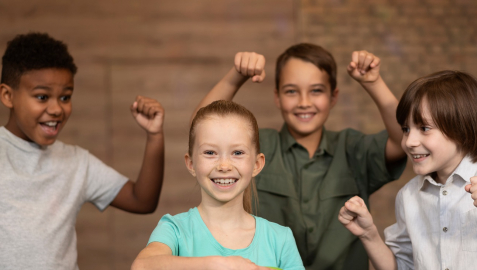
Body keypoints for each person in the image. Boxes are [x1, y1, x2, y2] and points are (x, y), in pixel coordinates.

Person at [191, 44, 407, 269]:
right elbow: (201, 132)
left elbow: (405, 138)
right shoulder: (258, 147)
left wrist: (373, 83)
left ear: (333, 97)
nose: (304, 102)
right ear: (277, 97)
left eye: (316, 90)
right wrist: (236, 77)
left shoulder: (353, 148)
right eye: (291, 91)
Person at [0, 32, 165, 270]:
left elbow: (142, 200)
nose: (56, 109)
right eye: (42, 96)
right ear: (7, 95)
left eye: (65, 97)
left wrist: (155, 135)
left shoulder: (77, 162)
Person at [132, 100, 304, 270]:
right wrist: (218, 265)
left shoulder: (281, 239)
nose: (224, 166)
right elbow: (141, 266)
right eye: (210, 152)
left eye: (237, 152)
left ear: (257, 164)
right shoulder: (174, 229)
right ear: (191, 163)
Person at [338, 70, 477, 269]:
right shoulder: (409, 196)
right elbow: (402, 266)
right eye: (406, 129)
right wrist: (368, 234)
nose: (409, 142)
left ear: (460, 127)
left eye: (424, 128)